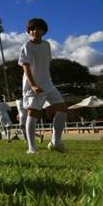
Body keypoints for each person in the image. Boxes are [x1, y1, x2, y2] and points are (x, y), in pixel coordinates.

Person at [19, 17, 68, 154]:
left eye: (39, 29)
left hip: (48, 84)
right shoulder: (27, 46)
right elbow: (26, 68)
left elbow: (46, 65)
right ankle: (32, 149)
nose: (36, 31)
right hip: (32, 86)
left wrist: (48, 81)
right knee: (33, 114)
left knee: (63, 109)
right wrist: (33, 85)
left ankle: (55, 142)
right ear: (28, 31)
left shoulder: (47, 45)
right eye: (32, 29)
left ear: (44, 31)